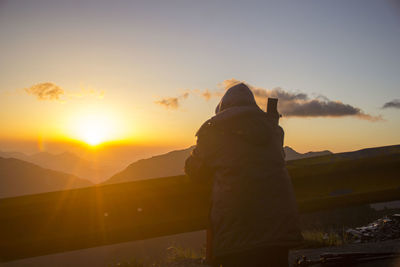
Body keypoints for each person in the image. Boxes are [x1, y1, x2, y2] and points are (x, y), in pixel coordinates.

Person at [184, 83, 303, 267]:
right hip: (279, 230)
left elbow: (194, 171)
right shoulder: (273, 130)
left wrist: (200, 152)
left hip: (237, 233)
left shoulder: (212, 131)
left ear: (223, 108)